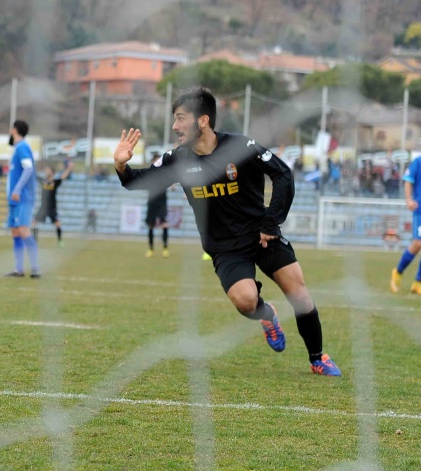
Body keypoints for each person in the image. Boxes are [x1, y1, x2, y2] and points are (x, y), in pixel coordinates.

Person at [114, 86, 341, 376]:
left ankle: (318, 358)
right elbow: (138, 181)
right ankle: (267, 315)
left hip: (262, 235)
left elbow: (283, 174)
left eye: (181, 118)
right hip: (224, 247)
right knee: (246, 302)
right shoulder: (177, 159)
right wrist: (121, 165)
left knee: (299, 293)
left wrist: (271, 223)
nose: (175, 126)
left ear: (203, 120)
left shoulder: (241, 147)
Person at [391, 131, 421, 296]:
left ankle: (417, 283)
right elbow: (408, 180)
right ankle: (398, 272)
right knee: (419, 243)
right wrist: (409, 200)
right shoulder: (420, 161)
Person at [4, 120, 39, 278]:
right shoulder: (17, 148)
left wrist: (17, 189)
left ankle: (36, 268)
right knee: (15, 231)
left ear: (15, 130)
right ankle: (19, 269)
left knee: (24, 229)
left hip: (23, 197)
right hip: (14, 199)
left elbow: (29, 168)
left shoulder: (22, 147)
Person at [35, 159, 72, 247]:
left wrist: (69, 168)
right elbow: (34, 175)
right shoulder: (43, 181)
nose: (46, 172)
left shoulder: (55, 182)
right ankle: (34, 241)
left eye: (48, 170)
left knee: (58, 224)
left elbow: (63, 176)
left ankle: (60, 241)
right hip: (43, 207)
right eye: (46, 170)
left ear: (52, 172)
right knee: (34, 223)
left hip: (52, 208)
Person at [144, 152, 169, 257]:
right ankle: (151, 249)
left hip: (162, 201)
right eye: (156, 160)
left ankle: (165, 248)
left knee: (164, 224)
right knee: (150, 225)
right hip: (152, 201)